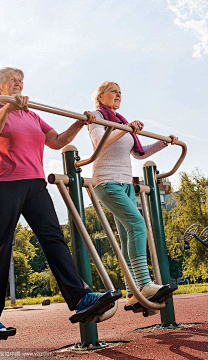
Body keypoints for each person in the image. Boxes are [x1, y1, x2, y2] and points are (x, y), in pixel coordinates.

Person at [0, 68, 121, 334]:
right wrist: (7, 108)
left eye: (21, 81)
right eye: (13, 81)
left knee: (54, 238)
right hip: (5, 182)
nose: (18, 84)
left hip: (35, 183)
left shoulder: (32, 115)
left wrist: (80, 123)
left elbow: (56, 141)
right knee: (0, 243)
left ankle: (80, 298)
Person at [88, 81, 178, 307]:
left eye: (120, 92)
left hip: (126, 183)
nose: (118, 95)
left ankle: (132, 293)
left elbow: (140, 153)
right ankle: (145, 284)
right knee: (138, 226)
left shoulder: (122, 122)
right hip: (107, 182)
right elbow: (101, 142)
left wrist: (164, 143)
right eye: (113, 92)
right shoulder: (97, 117)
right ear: (100, 96)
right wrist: (124, 129)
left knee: (129, 235)